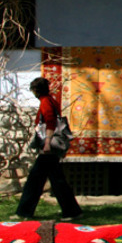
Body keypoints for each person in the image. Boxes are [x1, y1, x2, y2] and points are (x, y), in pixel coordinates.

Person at [15, 77, 82, 220]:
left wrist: (47, 142)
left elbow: (50, 122)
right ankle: (72, 211)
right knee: (55, 180)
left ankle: (25, 212)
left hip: (48, 148)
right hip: (52, 149)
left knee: (37, 181)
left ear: (36, 90)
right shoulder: (52, 100)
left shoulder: (45, 102)